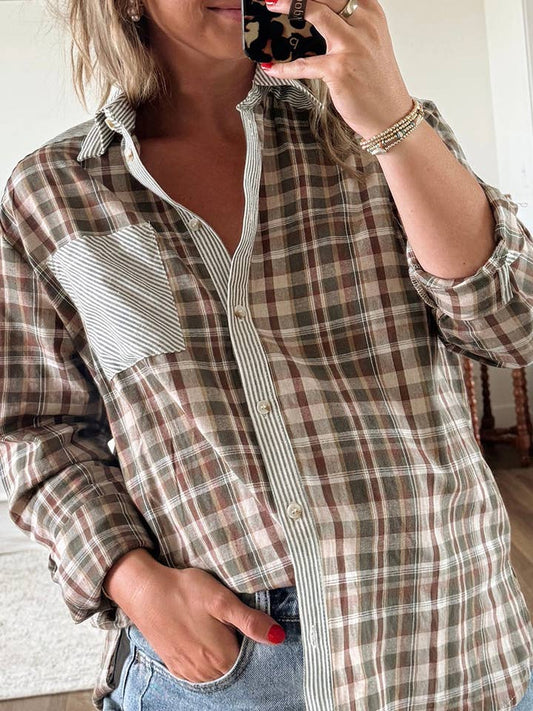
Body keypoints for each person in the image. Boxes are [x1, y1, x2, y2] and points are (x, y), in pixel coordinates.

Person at [1, 0, 532, 708]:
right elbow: (34, 429)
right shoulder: (52, 192)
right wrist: (132, 579)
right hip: (226, 658)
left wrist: (391, 120)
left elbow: (510, 328)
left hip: (443, 630)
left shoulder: (381, 136)